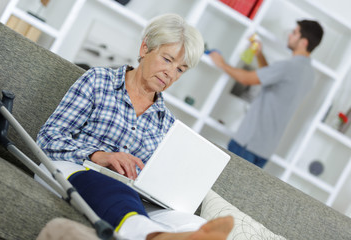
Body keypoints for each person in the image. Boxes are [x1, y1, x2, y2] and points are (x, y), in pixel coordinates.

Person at [36, 13, 234, 240]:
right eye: (167, 60)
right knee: (115, 190)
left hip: (132, 195)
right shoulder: (98, 80)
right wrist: (99, 156)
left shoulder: (167, 123)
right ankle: (153, 236)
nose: (170, 73)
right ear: (145, 48)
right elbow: (47, 138)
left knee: (190, 222)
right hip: (70, 169)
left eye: (180, 69)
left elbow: (155, 183)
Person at [209, 19, 324, 168]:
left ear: (304, 42)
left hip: (247, 144)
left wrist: (221, 63)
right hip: (264, 150)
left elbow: (247, 79)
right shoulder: (309, 74)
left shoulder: (288, 66)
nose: (290, 35)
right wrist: (259, 54)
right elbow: (271, 79)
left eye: (295, 33)